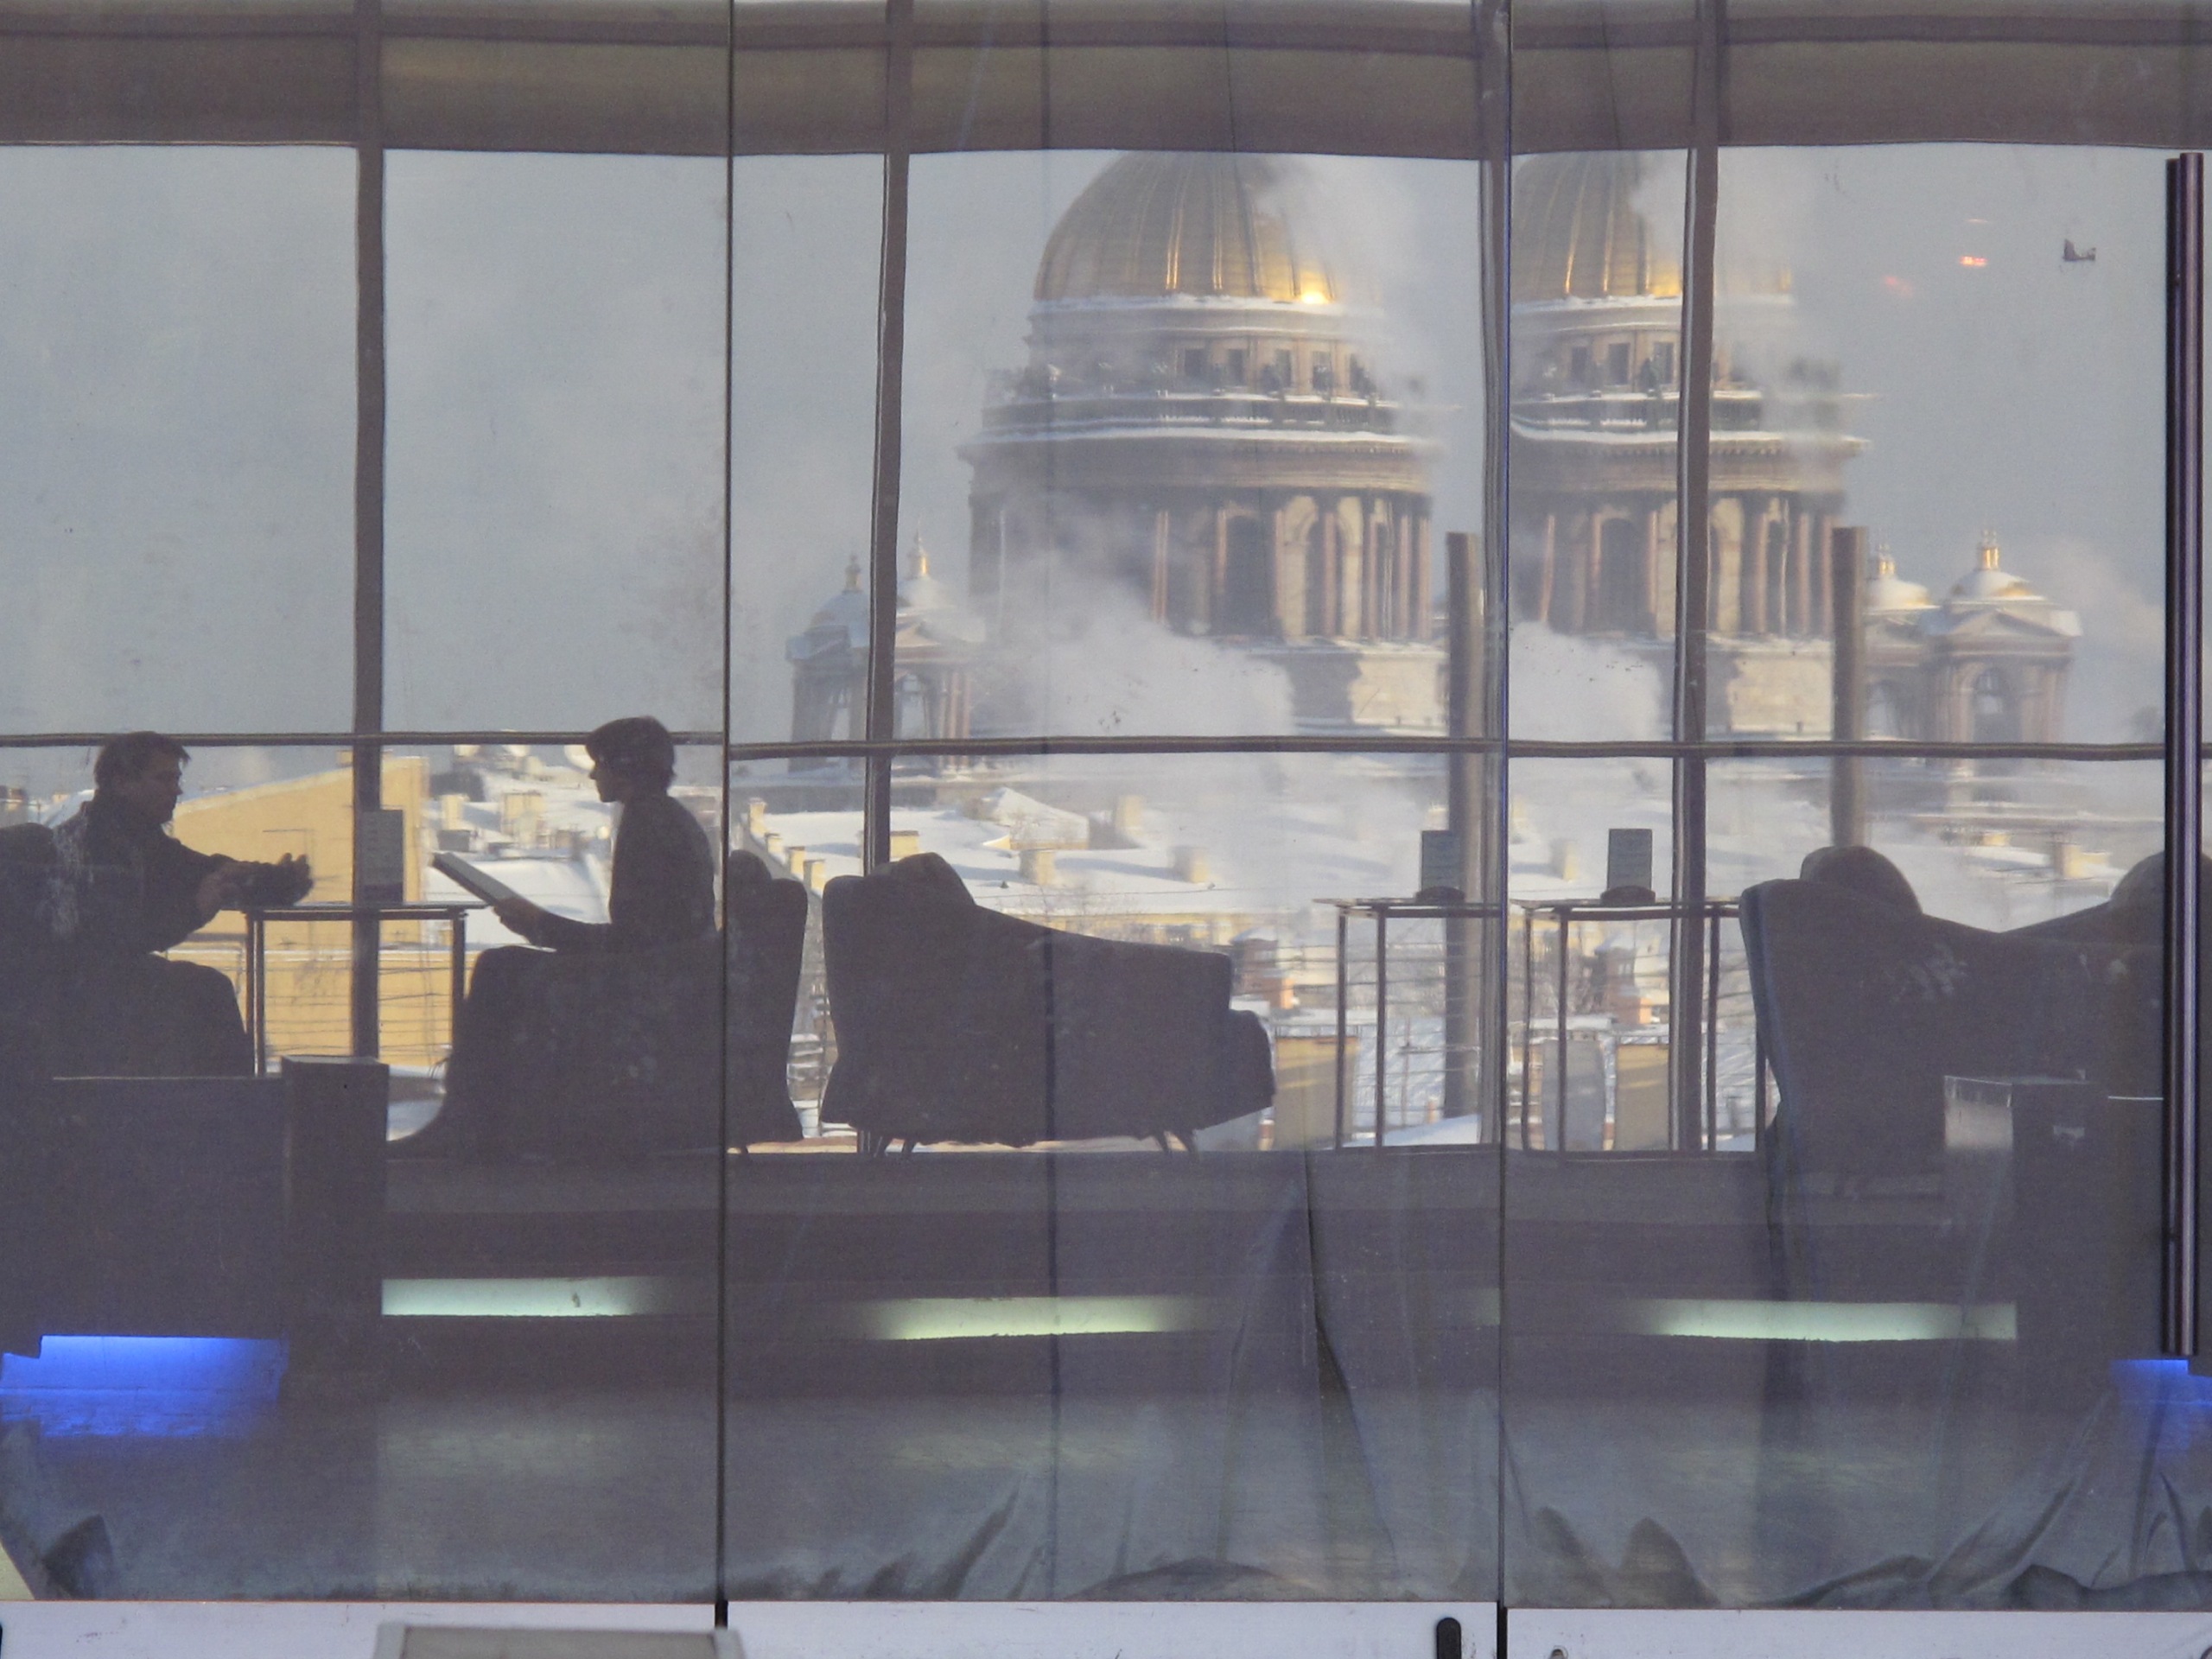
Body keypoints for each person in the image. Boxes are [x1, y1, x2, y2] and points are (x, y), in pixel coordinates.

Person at [413, 716, 719, 1159]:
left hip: (648, 979)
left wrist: (542, 926)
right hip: (667, 974)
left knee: (498, 970)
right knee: (505, 967)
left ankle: (468, 1119)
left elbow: (631, 943)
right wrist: (540, 926)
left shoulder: (647, 825)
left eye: (600, 764)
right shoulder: (666, 819)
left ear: (624, 768)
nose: (593, 774)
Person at [0, 732, 312, 1077]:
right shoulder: (94, 847)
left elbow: (200, 868)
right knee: (207, 991)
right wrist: (196, 909)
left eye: (176, 780)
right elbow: (115, 939)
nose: (176, 791)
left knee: (203, 990)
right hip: (75, 994)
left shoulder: (133, 838)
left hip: (84, 989)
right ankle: (226, 1103)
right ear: (122, 783)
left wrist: (272, 880)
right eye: (164, 779)